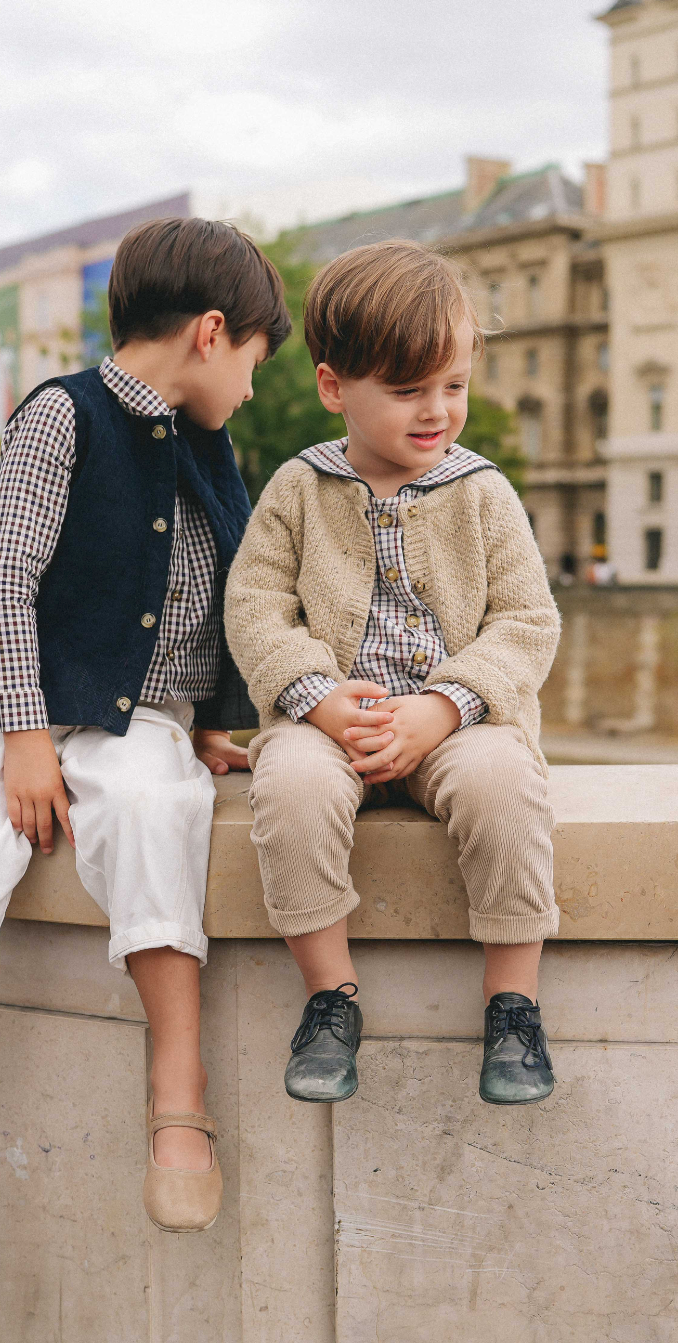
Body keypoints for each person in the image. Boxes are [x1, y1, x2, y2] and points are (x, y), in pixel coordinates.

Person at [0, 217, 288, 1336]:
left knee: (158, 810)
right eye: (253, 358)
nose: (252, 386)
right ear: (210, 334)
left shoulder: (212, 448)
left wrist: (208, 719)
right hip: (2, 715)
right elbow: (4, 581)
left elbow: (205, 597)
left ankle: (178, 1104)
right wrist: (19, 734)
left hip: (135, 722)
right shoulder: (61, 415)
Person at [226, 239, 562, 1113]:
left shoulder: (484, 491)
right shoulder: (298, 489)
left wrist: (448, 707)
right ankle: (331, 999)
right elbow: (256, 605)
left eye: (453, 386)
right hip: (327, 724)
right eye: (409, 391)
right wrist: (318, 700)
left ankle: (513, 1002)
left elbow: (528, 621)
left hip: (458, 727)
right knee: (289, 788)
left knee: (505, 788)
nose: (437, 412)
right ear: (336, 388)